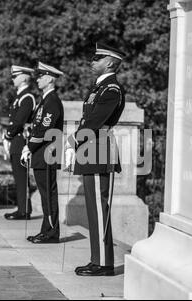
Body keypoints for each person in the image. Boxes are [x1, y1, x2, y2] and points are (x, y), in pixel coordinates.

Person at [65, 43, 126, 276]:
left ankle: (104, 263)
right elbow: (86, 121)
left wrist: (73, 141)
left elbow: (94, 122)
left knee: (100, 208)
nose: (92, 61)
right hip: (91, 147)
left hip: (99, 147)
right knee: (93, 208)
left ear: (110, 62)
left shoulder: (112, 90)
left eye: (97, 58)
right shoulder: (98, 88)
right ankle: (96, 258)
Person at [22, 62, 64, 244]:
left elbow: (45, 130)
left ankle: (51, 233)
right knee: (45, 194)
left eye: (41, 76)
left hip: (47, 154)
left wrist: (28, 147)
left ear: (49, 79)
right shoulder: (45, 100)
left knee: (48, 195)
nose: (38, 79)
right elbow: (37, 126)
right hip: (41, 154)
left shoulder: (52, 101)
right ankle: (46, 230)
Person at [3, 65, 36, 220]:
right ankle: (22, 208)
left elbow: (19, 121)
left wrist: (8, 135)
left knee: (22, 177)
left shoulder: (27, 97)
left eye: (15, 76)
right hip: (17, 141)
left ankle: (24, 210)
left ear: (24, 78)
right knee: (19, 177)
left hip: (21, 141)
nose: (13, 79)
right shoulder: (20, 96)